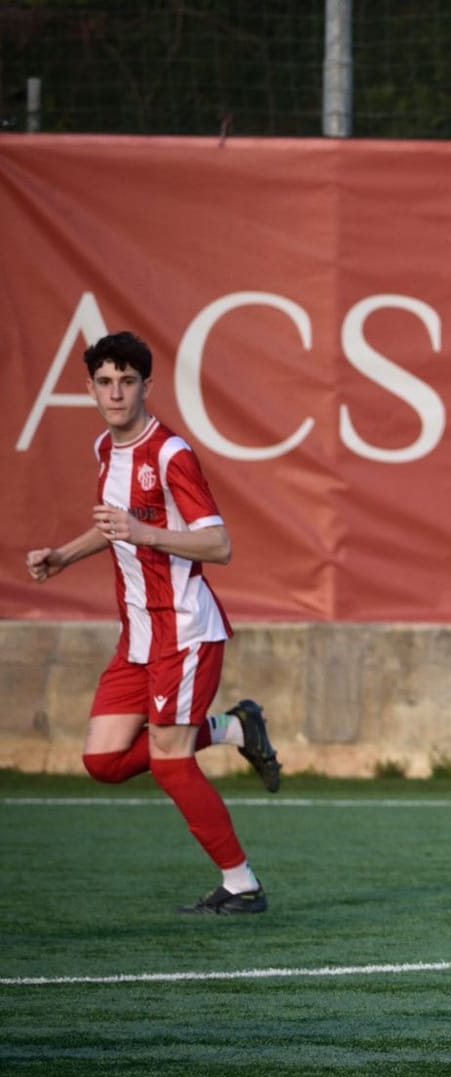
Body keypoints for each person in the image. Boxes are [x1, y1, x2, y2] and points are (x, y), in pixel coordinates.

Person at [25, 331, 283, 915]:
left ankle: (242, 884)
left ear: (147, 386)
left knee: (169, 762)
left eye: (127, 381)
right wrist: (64, 555)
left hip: (183, 630)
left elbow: (218, 545)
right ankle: (234, 729)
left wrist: (148, 534)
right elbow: (115, 525)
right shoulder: (105, 448)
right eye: (105, 382)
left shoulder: (171, 454)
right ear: (90, 389)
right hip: (138, 634)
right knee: (103, 761)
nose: (116, 393)